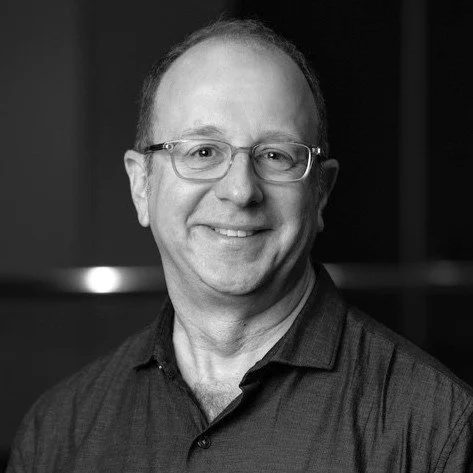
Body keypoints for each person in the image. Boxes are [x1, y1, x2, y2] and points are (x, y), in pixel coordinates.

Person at [7, 19, 473, 473]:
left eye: (275, 155)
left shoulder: (437, 430)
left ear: (321, 193)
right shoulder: (57, 432)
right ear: (141, 186)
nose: (240, 190)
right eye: (203, 152)